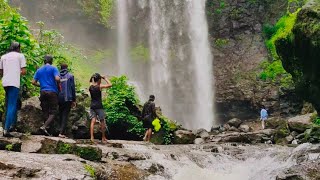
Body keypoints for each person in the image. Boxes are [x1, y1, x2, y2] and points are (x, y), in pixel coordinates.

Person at [0, 42, 27, 137]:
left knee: (10, 104)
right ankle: (6, 129)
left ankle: (11, 125)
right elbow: (24, 72)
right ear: (18, 48)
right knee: (12, 105)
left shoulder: (3, 57)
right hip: (14, 83)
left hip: (5, 82)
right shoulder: (20, 56)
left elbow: (1, 71)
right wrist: (16, 71)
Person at [32, 55, 60, 135]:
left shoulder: (39, 70)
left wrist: (41, 85)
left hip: (43, 92)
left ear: (44, 61)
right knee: (53, 112)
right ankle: (44, 127)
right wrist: (59, 82)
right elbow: (57, 79)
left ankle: (46, 130)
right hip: (52, 92)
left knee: (45, 110)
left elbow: (33, 82)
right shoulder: (53, 68)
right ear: (51, 61)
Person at [89, 73, 112, 144]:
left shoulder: (90, 86)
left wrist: (94, 76)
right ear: (99, 80)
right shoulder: (99, 86)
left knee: (93, 121)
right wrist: (104, 78)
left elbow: (90, 80)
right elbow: (110, 85)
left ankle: (92, 137)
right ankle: (103, 137)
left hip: (92, 106)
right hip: (99, 106)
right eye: (100, 79)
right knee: (102, 121)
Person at [58, 64, 76, 138]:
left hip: (59, 97)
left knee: (60, 114)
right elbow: (72, 88)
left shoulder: (57, 76)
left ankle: (60, 130)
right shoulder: (70, 76)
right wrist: (74, 100)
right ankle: (61, 132)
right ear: (67, 68)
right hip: (68, 98)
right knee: (65, 115)